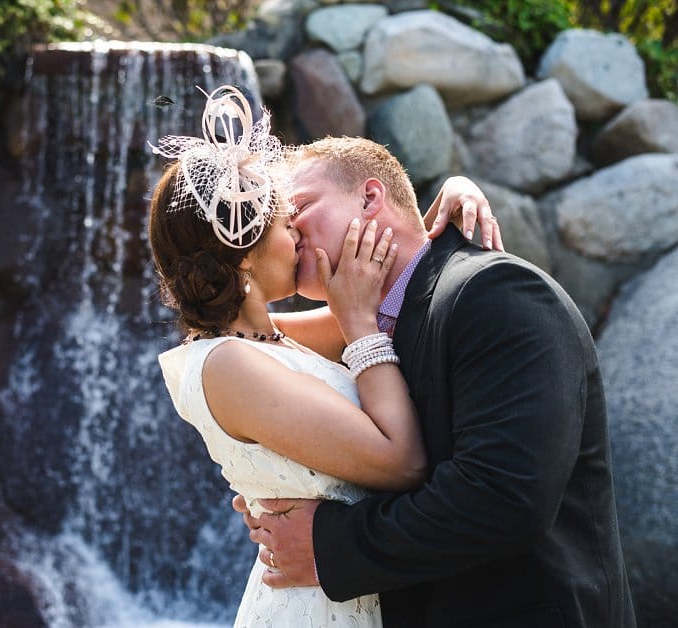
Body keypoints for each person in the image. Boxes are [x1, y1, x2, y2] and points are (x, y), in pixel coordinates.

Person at [236, 135, 637, 628]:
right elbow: (252, 340)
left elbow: (505, 498)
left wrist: (325, 546)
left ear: (369, 197)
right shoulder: (361, 327)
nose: (288, 230)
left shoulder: (497, 292)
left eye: (299, 206)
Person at [150, 85, 500, 627]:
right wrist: (359, 325)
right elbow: (403, 462)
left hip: (353, 587)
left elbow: (401, 296)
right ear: (244, 256)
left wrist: (447, 197)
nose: (302, 236)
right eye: (287, 226)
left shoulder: (263, 341)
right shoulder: (229, 365)